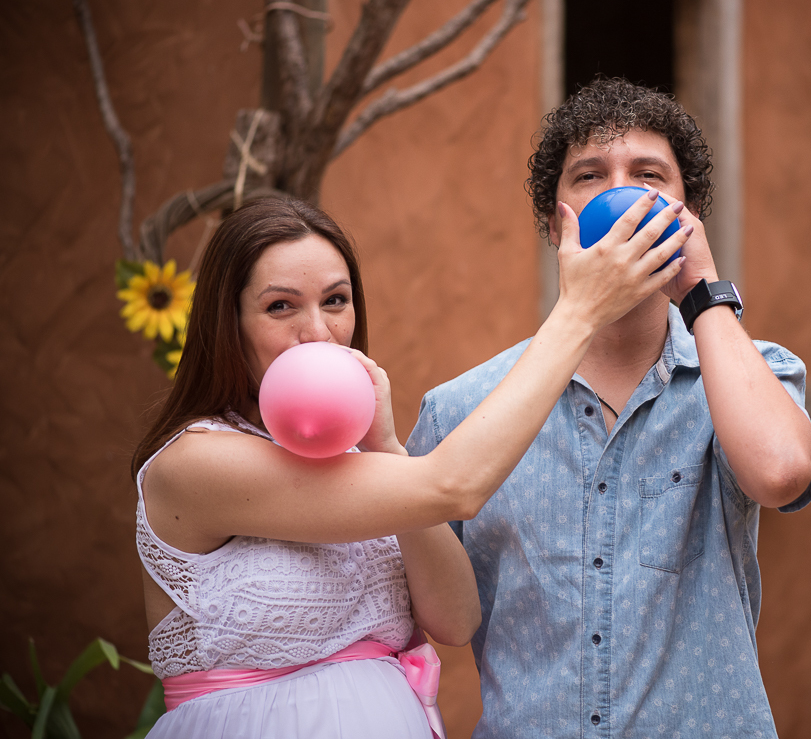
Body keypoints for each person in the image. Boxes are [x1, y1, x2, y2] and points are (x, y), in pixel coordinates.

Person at [132, 193, 689, 739]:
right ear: (228, 325)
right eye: (280, 306)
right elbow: (456, 487)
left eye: (335, 300)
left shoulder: (367, 467)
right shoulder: (195, 463)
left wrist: (387, 449)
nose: (319, 332)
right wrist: (580, 312)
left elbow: (455, 620)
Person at [406, 78, 811, 737]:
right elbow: (444, 619)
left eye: (648, 175)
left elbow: (780, 472)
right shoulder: (458, 409)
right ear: (554, 222)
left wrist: (704, 292)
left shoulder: (754, 371)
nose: (619, 195)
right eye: (590, 175)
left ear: (688, 213)